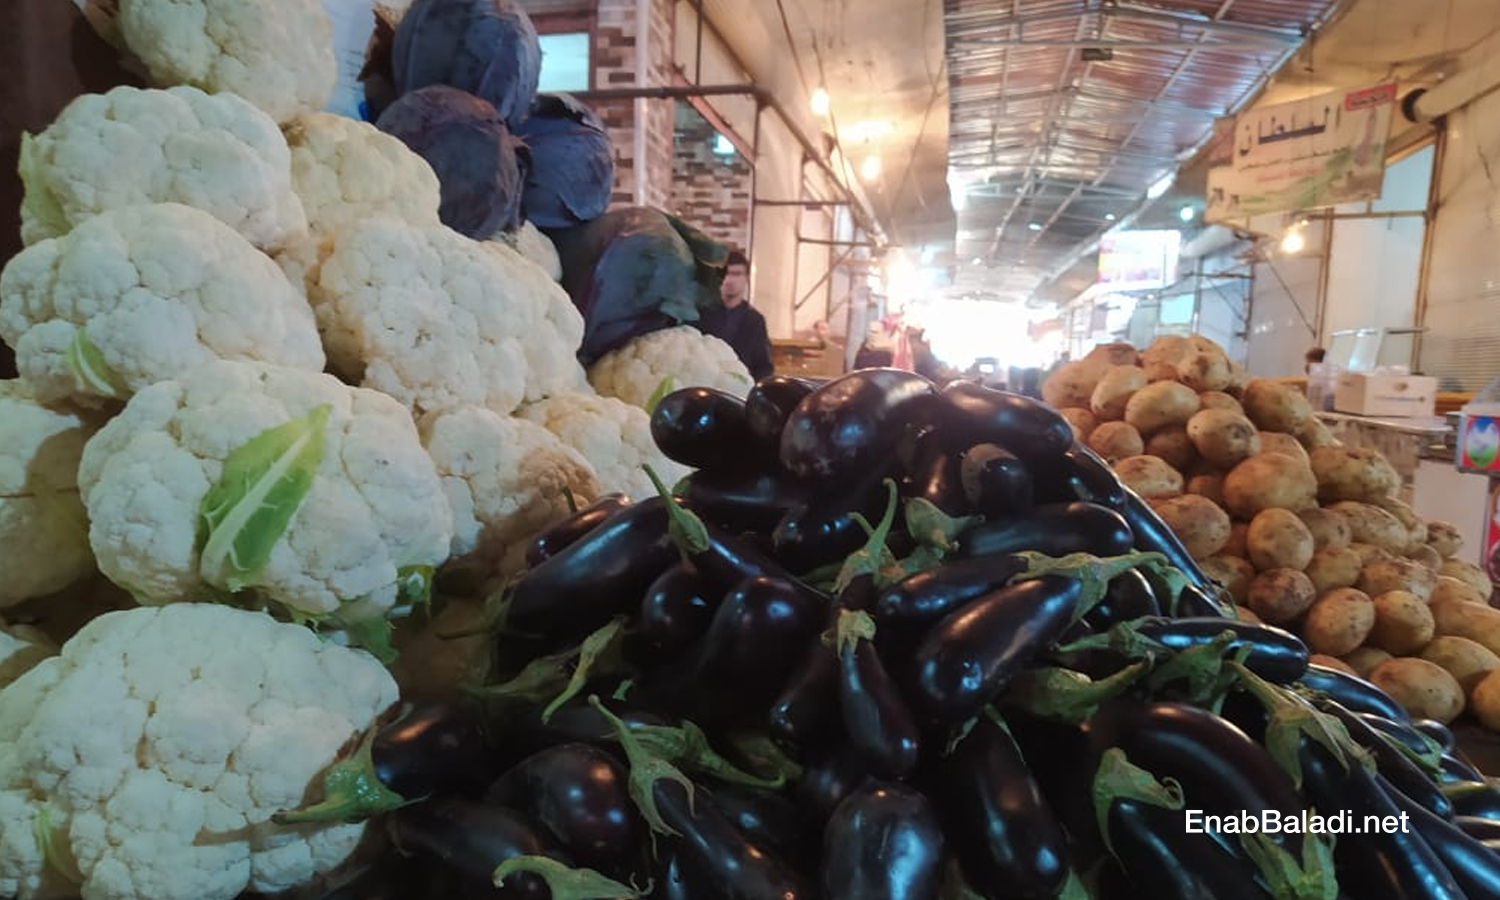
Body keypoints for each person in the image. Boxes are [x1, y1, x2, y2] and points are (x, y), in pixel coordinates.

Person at [698, 250, 774, 380]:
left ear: (747, 278)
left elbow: (763, 366)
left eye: (737, 274)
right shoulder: (700, 313)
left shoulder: (755, 320)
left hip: (741, 391)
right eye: (725, 274)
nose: (729, 280)